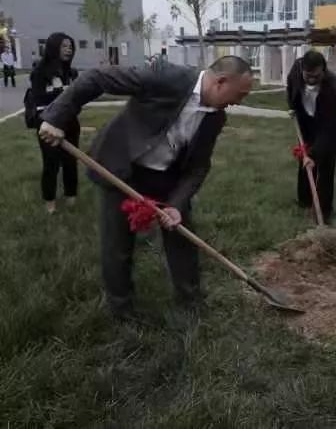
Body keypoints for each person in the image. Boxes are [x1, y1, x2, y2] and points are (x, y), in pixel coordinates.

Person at [38, 56, 254, 319]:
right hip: (123, 167)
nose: (239, 102)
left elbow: (197, 167)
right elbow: (97, 77)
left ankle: (190, 303)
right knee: (118, 244)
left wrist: (176, 204)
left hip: (166, 176)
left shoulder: (215, 118)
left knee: (182, 236)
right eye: (240, 94)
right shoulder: (166, 77)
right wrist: (56, 117)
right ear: (221, 82)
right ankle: (122, 309)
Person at [286, 50, 336, 224]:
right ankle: (304, 202)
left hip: (328, 126)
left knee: (325, 166)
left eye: (316, 76)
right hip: (305, 122)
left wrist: (315, 154)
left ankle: (324, 210)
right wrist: (292, 107)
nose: (311, 79)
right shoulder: (296, 70)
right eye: (308, 76)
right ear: (302, 69)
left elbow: (329, 129)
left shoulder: (331, 88)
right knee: (304, 162)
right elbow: (291, 87)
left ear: (323, 71)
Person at [30, 33, 80, 214]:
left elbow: (76, 100)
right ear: (53, 47)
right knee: (51, 163)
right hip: (47, 124)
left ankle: (71, 198)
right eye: (64, 46)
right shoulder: (39, 73)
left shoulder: (72, 73)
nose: (69, 50)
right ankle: (50, 202)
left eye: (70, 46)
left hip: (71, 123)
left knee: (70, 161)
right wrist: (61, 95)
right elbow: (39, 101)